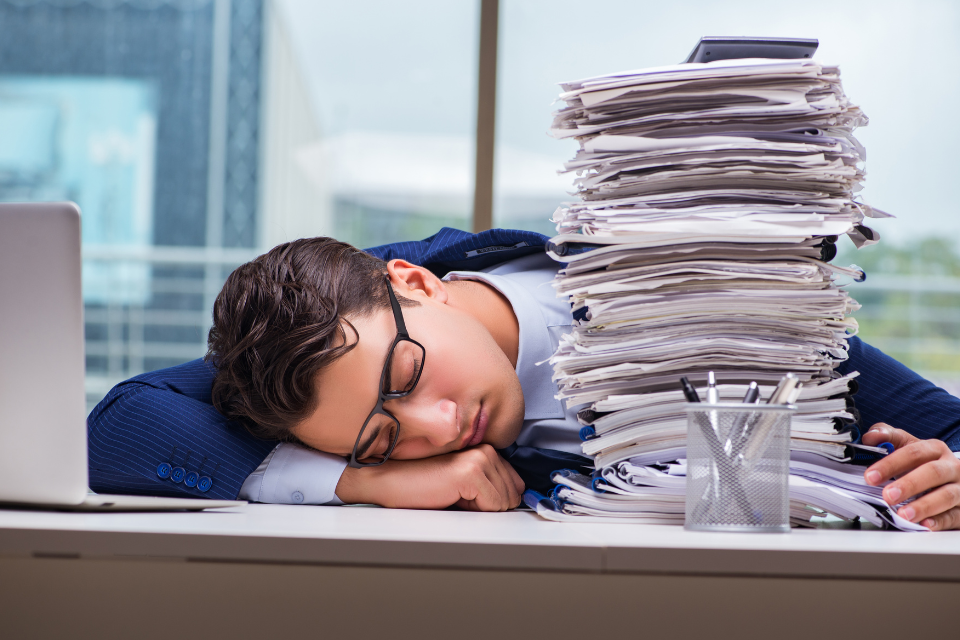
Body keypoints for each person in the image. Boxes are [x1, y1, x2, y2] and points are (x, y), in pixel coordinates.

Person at [87, 228, 960, 530]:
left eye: (408, 376)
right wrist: (367, 483)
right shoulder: (307, 355)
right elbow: (120, 425)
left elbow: (947, 429)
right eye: (388, 438)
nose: (435, 425)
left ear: (414, 281)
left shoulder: (675, 298)